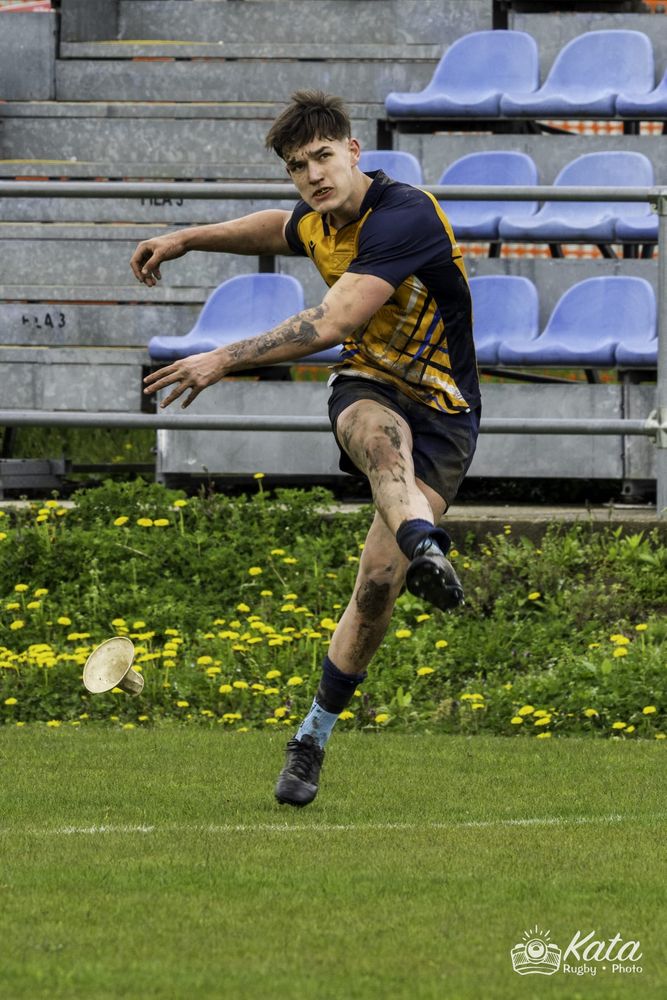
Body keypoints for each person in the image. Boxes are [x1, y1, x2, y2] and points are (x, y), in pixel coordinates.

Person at [131, 90, 481, 809]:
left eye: (323, 157)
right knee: (378, 442)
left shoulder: (404, 215)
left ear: (354, 151)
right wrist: (187, 238)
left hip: (445, 407)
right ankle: (425, 545)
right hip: (367, 384)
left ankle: (314, 728)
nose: (313, 175)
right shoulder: (319, 217)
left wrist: (222, 357)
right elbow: (277, 227)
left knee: (376, 583)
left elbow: (333, 319)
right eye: (297, 167)